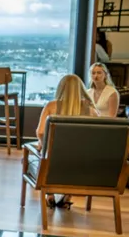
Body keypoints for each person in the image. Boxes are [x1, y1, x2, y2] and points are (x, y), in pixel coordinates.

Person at [36, 74, 98, 209]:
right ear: (81, 89)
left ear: (61, 88)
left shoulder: (51, 106)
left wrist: (43, 145)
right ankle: (68, 196)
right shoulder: (92, 111)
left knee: (43, 155)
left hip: (55, 160)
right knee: (76, 159)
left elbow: (40, 132)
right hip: (80, 163)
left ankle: (49, 193)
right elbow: (96, 139)